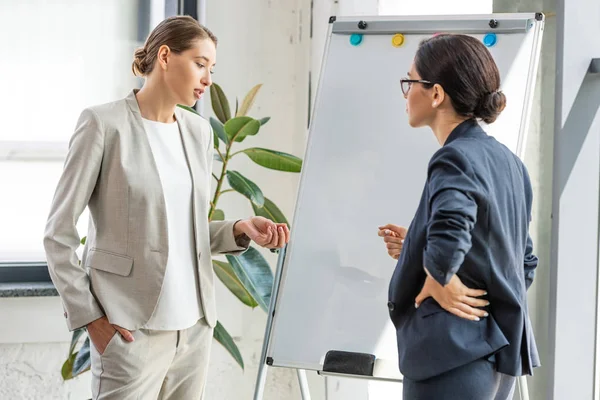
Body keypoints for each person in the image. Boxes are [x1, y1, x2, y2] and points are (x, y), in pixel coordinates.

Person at [43, 15, 289, 400]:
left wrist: (239, 228)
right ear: (164, 56)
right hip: (130, 332)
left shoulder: (198, 132)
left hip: (193, 332)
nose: (208, 78)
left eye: (212, 67)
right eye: (200, 63)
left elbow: (182, 229)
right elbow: (57, 233)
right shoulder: (103, 124)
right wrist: (91, 319)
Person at [378, 34, 539, 399]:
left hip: (451, 354)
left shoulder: (454, 157)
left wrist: (438, 275)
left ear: (436, 94)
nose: (406, 94)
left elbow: (452, 230)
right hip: (496, 355)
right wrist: (417, 248)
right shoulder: (509, 162)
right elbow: (521, 260)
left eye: (411, 82)